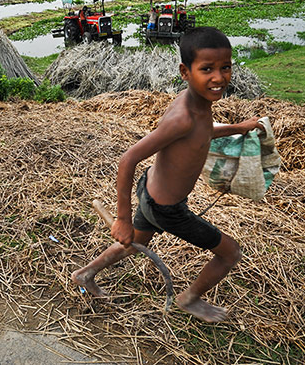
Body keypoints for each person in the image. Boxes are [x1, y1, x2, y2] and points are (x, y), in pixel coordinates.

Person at [73, 26, 263, 322]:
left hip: (151, 192)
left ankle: (85, 274)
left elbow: (202, 134)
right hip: (166, 209)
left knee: (138, 241)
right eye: (207, 69)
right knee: (230, 253)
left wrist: (238, 128)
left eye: (225, 67)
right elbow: (128, 159)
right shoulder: (183, 117)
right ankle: (189, 299)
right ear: (185, 72)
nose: (219, 77)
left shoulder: (198, 105)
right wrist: (121, 219)